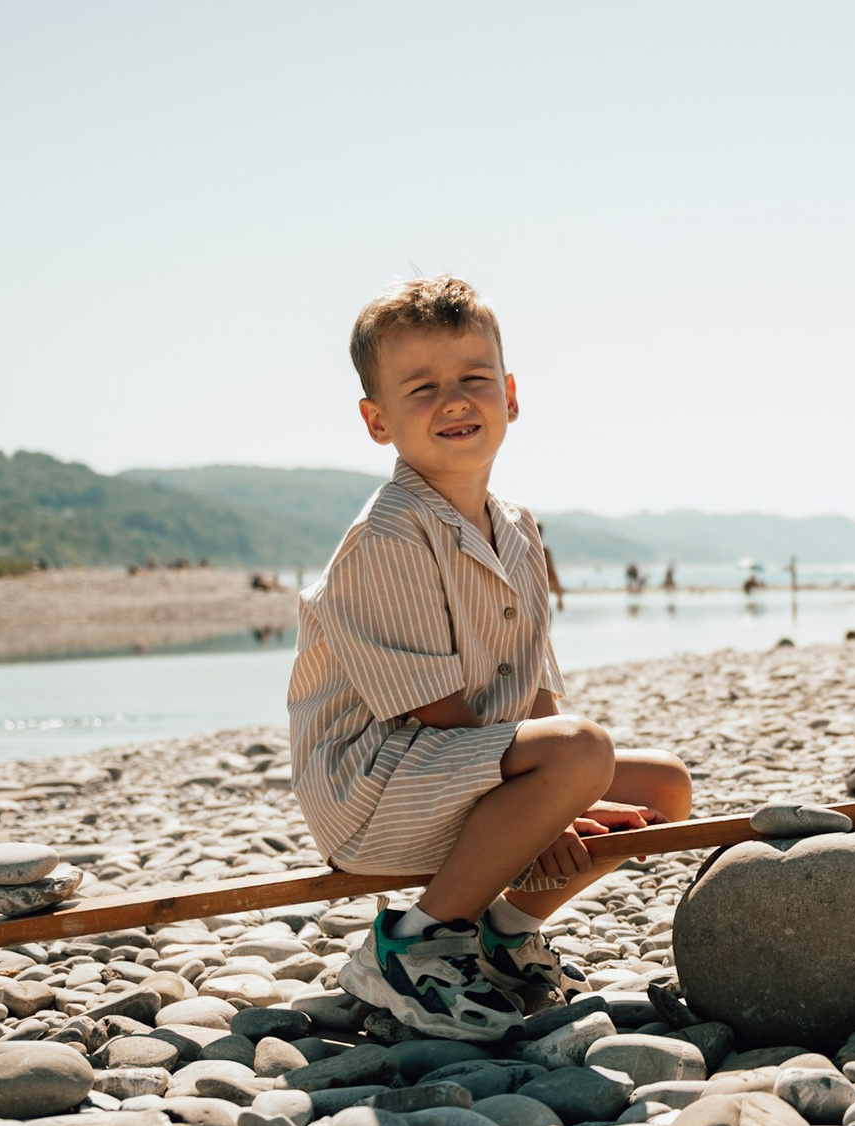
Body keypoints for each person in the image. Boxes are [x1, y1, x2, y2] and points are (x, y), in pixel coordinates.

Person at [288, 276, 691, 1041]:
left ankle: (501, 935)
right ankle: (414, 945)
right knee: (583, 752)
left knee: (664, 785)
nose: (454, 400)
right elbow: (432, 711)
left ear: (510, 393)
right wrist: (553, 801)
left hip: (462, 764)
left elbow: (533, 691)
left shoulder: (516, 527)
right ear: (377, 421)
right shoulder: (389, 533)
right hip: (373, 784)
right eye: (422, 387)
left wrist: (565, 793)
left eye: (474, 379)